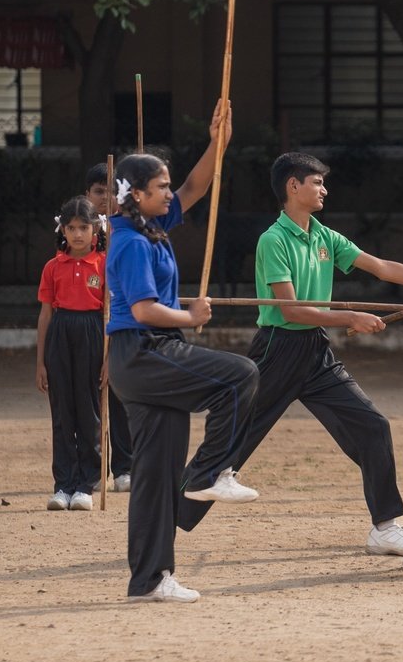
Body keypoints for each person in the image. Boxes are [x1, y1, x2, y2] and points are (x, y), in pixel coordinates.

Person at [175, 152, 403, 556]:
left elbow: (383, 267)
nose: (324, 189)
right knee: (237, 438)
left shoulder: (324, 235)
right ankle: (168, 517)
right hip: (277, 348)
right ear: (293, 186)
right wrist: (349, 317)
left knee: (372, 426)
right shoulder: (273, 239)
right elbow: (291, 309)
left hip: (315, 351)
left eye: (322, 182)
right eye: (317, 182)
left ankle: (385, 526)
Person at [104, 100, 261, 604]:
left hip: (145, 355)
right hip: (144, 349)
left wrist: (220, 142)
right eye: (161, 187)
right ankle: (209, 473)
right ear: (137, 196)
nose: (170, 192)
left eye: (167, 184)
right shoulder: (128, 241)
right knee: (239, 376)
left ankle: (150, 579)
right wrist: (191, 318)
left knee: (154, 476)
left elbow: (196, 187)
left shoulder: (152, 226)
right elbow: (147, 311)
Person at [35, 197, 109, 512]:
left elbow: (111, 312)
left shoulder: (106, 264)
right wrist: (40, 361)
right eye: (71, 228)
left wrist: (110, 356)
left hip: (93, 333)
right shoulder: (53, 267)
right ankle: (63, 484)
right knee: (62, 411)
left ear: (95, 229)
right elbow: (45, 315)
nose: (77, 234)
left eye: (83, 227)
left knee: (89, 410)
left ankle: (85, 485)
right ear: (62, 230)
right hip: (60, 335)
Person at [84, 163, 133, 492]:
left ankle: (125, 466)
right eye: (98, 192)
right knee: (90, 396)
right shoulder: (79, 227)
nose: (105, 198)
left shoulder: (126, 226)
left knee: (121, 393)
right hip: (88, 320)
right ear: (88, 194)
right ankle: (91, 466)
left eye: (110, 192)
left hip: (120, 316)